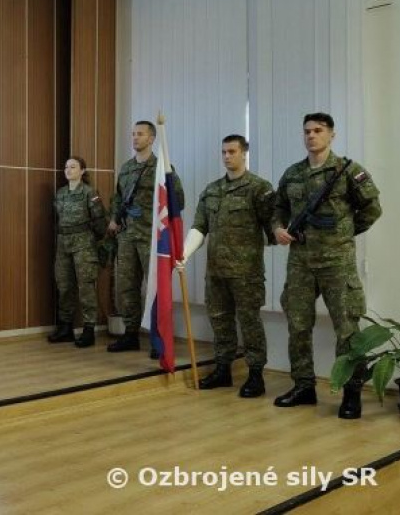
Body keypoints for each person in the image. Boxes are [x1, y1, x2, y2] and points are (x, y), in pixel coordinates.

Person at [271, 112, 381, 419]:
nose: (311, 136)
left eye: (318, 130)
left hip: (337, 262)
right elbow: (278, 208)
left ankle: (351, 392)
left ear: (332, 134)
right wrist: (278, 228)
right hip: (300, 261)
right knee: (298, 325)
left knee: (347, 330)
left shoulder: (349, 171)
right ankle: (303, 386)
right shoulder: (293, 173)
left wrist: (344, 233)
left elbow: (372, 209)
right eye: (307, 131)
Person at [177, 135, 275, 397]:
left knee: (250, 322)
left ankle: (256, 375)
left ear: (244, 153)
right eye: (224, 152)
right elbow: (200, 227)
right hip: (216, 271)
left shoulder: (259, 188)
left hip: (246, 273)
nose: (227, 156)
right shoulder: (212, 190)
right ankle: (223, 370)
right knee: (219, 321)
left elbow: (273, 230)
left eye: (232, 151)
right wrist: (184, 253)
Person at [106, 121, 184, 353]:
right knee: (125, 286)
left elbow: (178, 201)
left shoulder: (163, 168)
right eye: (133, 134)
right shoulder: (126, 168)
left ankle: (158, 338)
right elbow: (118, 197)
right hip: (127, 236)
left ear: (151, 138)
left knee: (156, 288)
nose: (135, 137)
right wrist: (114, 218)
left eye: (140, 134)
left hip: (152, 238)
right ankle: (130, 334)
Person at [49, 156, 107, 348]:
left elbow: (100, 221)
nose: (68, 170)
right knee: (64, 286)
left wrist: (93, 241)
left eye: (73, 167)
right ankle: (66, 328)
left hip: (84, 245)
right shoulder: (60, 193)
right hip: (63, 245)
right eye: (66, 167)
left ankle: (89, 329)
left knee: (85, 287)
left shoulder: (89, 192)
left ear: (82, 171)